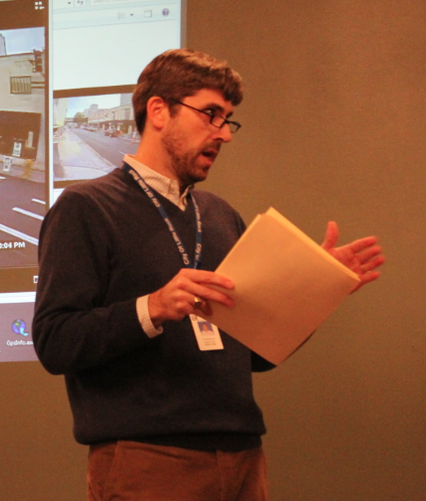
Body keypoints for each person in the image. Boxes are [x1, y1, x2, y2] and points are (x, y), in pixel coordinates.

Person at [32, 49, 384, 501]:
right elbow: (55, 341)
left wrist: (315, 291)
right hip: (149, 462)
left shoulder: (219, 216)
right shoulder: (86, 208)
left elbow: (259, 354)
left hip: (243, 457)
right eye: (211, 115)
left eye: (228, 120)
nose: (224, 134)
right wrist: (153, 307)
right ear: (159, 111)